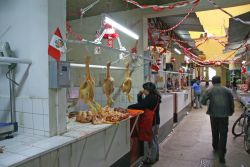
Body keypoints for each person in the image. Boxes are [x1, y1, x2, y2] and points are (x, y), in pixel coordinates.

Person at [201, 76, 234, 164]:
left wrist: (207, 103)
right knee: (223, 134)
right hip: (224, 115)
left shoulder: (210, 90)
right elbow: (231, 101)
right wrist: (231, 111)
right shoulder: (227, 90)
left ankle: (215, 147)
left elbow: (202, 100)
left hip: (213, 115)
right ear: (221, 81)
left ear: (213, 82)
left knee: (214, 131)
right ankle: (222, 155)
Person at [128, 82, 161, 164]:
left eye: (144, 89)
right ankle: (155, 157)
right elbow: (142, 104)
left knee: (151, 141)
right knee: (155, 140)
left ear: (148, 90)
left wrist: (130, 107)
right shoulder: (153, 96)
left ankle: (151, 159)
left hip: (152, 121)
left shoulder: (151, 97)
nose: (143, 91)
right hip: (155, 121)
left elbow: (141, 105)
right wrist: (139, 96)